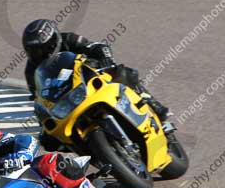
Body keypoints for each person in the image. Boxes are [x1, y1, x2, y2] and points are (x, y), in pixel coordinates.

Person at [21, 18, 169, 120]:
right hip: (67, 98)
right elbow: (38, 96)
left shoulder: (69, 39)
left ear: (53, 41)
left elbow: (97, 47)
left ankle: (151, 102)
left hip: (89, 77)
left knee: (122, 73)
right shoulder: (31, 71)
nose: (38, 54)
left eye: (41, 49)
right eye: (33, 50)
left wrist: (106, 59)